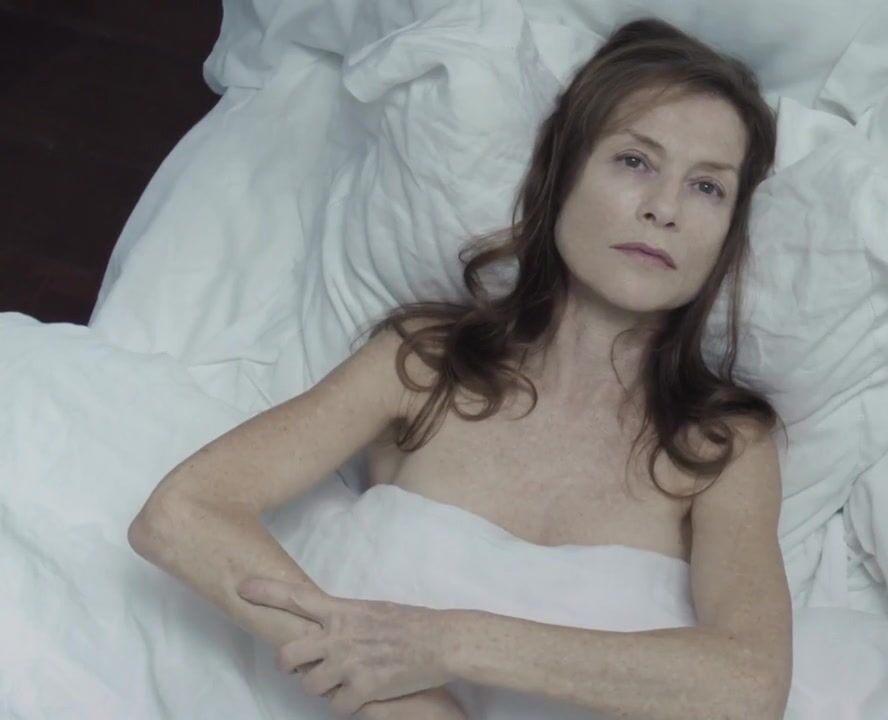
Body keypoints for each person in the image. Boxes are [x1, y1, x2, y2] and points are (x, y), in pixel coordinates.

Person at [128, 17, 792, 720]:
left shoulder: (721, 446)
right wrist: (398, 696)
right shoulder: (425, 364)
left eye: (708, 187)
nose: (663, 209)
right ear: (562, 173)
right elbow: (182, 515)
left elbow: (749, 686)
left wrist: (448, 643)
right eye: (634, 161)